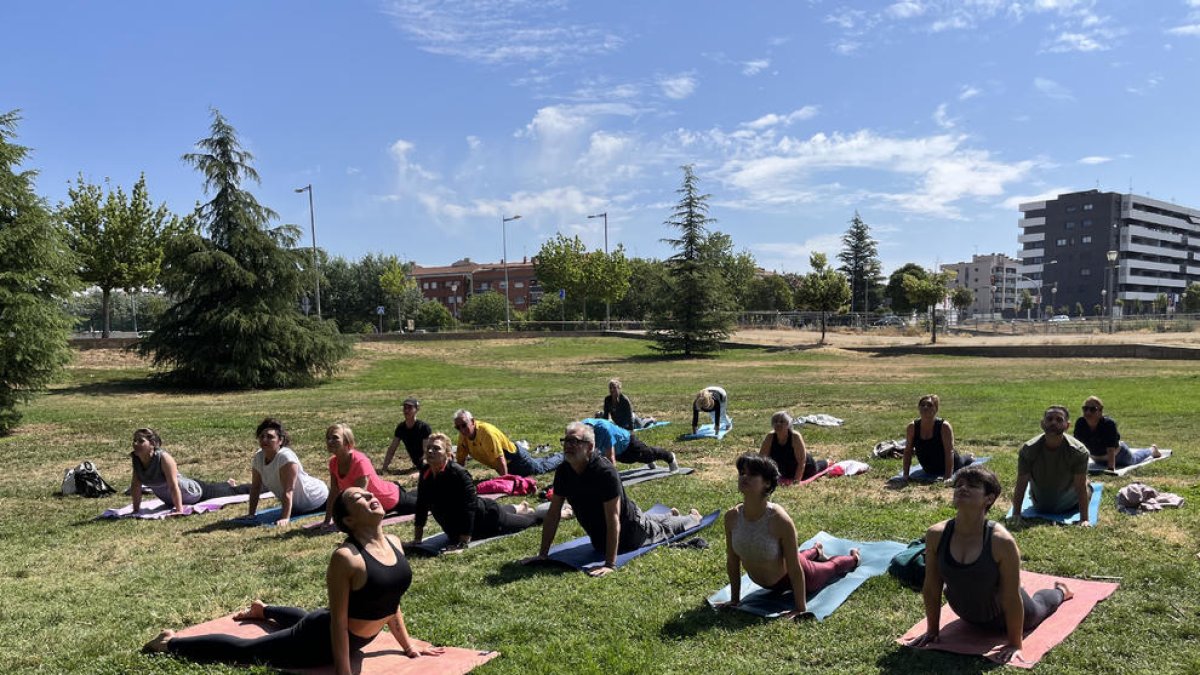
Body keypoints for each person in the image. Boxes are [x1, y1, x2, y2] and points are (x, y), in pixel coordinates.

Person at [143, 487, 445, 672]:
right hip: (318, 641)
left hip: (352, 634)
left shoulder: (392, 540)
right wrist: (343, 672)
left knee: (310, 618)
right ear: (349, 520)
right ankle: (171, 643)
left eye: (369, 494)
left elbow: (391, 601)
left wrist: (408, 647)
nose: (370, 496)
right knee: (248, 651)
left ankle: (264, 610)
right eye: (359, 498)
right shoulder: (346, 558)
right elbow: (338, 623)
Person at [906, 465, 1074, 665]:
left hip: (1003, 616)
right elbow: (932, 586)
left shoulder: (1001, 541)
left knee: (1040, 605)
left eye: (972, 486)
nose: (962, 488)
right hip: (967, 614)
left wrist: (1015, 644)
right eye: (958, 485)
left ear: (989, 498)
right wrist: (932, 631)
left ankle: (1062, 591)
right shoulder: (936, 534)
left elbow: (1011, 598)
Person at [522, 422, 703, 577]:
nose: (568, 445)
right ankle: (668, 514)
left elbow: (613, 518)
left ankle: (692, 518)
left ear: (590, 447)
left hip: (630, 534)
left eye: (574, 442)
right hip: (600, 540)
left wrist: (609, 564)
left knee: (663, 528)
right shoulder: (564, 471)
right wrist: (543, 555)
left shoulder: (605, 472)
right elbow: (553, 514)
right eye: (566, 441)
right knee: (651, 521)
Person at [715, 454, 859, 619]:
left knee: (831, 567)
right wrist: (734, 600)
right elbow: (733, 560)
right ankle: (815, 551)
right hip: (768, 579)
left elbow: (795, 567)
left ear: (767, 483)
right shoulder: (731, 517)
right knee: (795, 555)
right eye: (742, 473)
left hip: (796, 576)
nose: (744, 477)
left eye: (752, 474)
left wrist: (799, 608)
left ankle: (854, 558)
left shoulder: (779, 519)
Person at [411, 433, 542, 550]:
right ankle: (520, 507)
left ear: (447, 454)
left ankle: (558, 513)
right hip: (456, 529)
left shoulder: (458, 473)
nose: (430, 451)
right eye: (428, 448)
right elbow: (421, 504)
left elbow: (470, 506)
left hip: (487, 519)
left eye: (436, 448)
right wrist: (417, 539)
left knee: (529, 521)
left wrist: (463, 542)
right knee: (506, 512)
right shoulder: (426, 472)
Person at [128, 428, 251, 514]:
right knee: (216, 487)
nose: (135, 444)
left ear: (152, 444)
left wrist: (179, 509)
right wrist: (136, 509)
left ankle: (262, 486)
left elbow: (173, 485)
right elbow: (136, 486)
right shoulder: (136, 459)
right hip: (173, 498)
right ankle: (227, 483)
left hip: (193, 493)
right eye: (134, 440)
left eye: (141, 441)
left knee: (232, 492)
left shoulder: (163, 458)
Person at [1010, 406, 1093, 527]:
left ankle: (1088, 483)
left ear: (1067, 425)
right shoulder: (1028, 449)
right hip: (1040, 505)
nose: (1053, 422)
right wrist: (1016, 514)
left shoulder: (1079, 451)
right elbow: (1021, 483)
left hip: (1070, 504)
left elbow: (1080, 487)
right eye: (1049, 419)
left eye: (1059, 420)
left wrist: (1084, 519)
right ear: (1042, 424)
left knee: (1085, 486)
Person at [322, 424, 417, 529]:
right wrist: (327, 521)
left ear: (346, 441)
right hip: (380, 500)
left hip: (391, 498)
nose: (330, 441)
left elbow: (361, 497)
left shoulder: (359, 461)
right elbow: (334, 492)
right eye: (328, 438)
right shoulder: (333, 463)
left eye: (335, 438)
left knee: (425, 504)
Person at [247, 418, 329, 526]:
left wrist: (285, 518)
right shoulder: (259, 457)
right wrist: (251, 514)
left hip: (317, 499)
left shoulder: (285, 457)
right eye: (262, 436)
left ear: (280, 440)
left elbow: (288, 490)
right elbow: (256, 487)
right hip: (296, 506)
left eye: (270, 437)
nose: (264, 440)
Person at [452, 409, 563, 477]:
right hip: (506, 465)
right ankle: (554, 457)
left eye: (464, 425)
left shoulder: (486, 433)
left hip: (517, 461)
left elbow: (501, 460)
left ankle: (563, 456)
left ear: (472, 421)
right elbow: (460, 461)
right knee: (540, 463)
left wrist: (504, 483)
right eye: (458, 427)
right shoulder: (464, 436)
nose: (462, 430)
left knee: (540, 469)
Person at [1073, 395, 1160, 471]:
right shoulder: (1080, 423)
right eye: (1085, 409)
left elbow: (1111, 449)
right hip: (1096, 459)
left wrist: (1111, 469)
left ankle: (1152, 450)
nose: (1088, 412)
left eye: (1092, 409)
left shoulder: (1108, 424)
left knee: (1135, 459)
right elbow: (1076, 447)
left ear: (1100, 411)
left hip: (1119, 456)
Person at [900, 394, 971, 483]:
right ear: (918, 408)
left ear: (936, 409)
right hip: (928, 468)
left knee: (962, 461)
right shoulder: (912, 427)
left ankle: (968, 457)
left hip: (950, 464)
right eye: (922, 405)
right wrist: (905, 474)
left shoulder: (944, 426)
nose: (925, 407)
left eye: (929, 405)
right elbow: (907, 451)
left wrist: (948, 476)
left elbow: (949, 451)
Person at [582, 417, 677, 471]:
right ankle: (647, 459)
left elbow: (610, 458)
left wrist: (612, 480)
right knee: (630, 460)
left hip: (627, 442)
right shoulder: (579, 430)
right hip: (618, 451)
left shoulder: (603, 429)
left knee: (645, 454)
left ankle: (670, 457)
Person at [759, 411, 826, 484]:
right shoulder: (770, 437)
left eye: (781, 422)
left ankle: (827, 462)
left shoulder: (795, 436)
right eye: (775, 421)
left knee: (819, 466)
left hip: (805, 469)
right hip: (784, 469)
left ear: (788, 424)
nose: (778, 424)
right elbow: (761, 459)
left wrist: (796, 482)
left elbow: (801, 462)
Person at [382, 397, 432, 474]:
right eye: (405, 408)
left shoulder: (424, 427)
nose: (406, 410)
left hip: (426, 462)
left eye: (410, 408)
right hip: (418, 463)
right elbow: (392, 449)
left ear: (417, 409)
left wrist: (422, 468)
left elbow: (427, 451)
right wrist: (384, 468)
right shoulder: (401, 428)